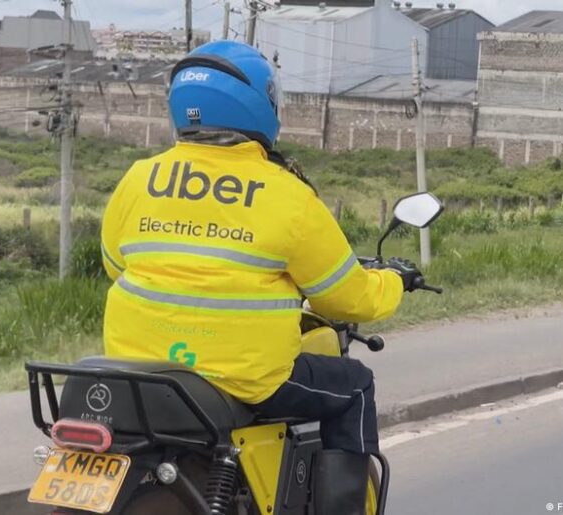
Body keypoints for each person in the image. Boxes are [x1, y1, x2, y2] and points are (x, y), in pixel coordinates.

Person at [100, 41, 420, 515]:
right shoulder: (287, 195)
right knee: (354, 386)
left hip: (139, 368)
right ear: (261, 104)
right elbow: (348, 300)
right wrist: (394, 282)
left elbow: (115, 262)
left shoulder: (140, 177)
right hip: (241, 375)